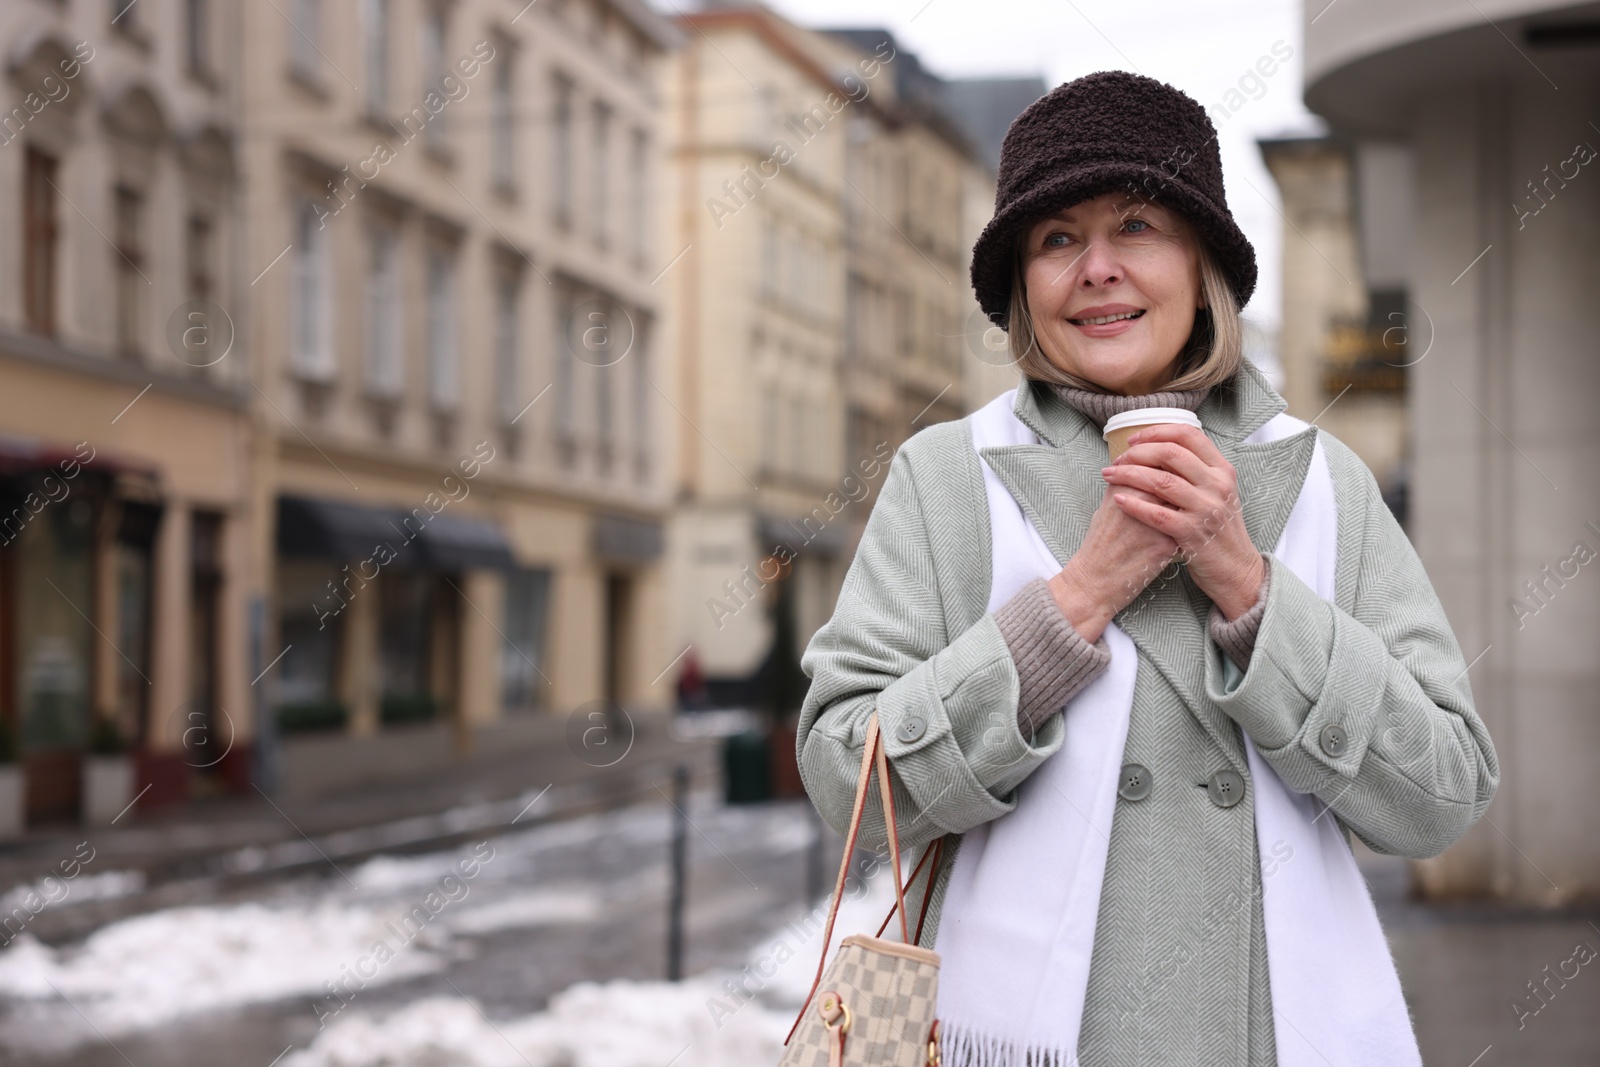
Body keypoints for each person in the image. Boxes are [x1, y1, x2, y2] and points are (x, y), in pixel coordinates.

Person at [795, 71, 1498, 1067]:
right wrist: (1073, 602)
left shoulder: (1320, 477)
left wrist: (1249, 589)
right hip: (1009, 1037)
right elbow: (844, 778)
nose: (1096, 268)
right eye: (1055, 239)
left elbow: (1443, 794)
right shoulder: (945, 474)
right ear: (1021, 288)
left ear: (1201, 257)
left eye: (1135, 225)